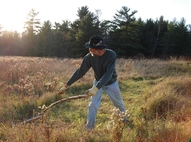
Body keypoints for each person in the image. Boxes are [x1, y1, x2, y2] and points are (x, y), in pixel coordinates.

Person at [58, 35, 126, 129]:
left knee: (118, 104)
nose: (89, 50)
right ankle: (89, 127)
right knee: (93, 105)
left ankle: (124, 120)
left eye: (91, 48)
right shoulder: (89, 57)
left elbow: (108, 74)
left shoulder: (111, 55)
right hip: (97, 82)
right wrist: (67, 84)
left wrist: (96, 88)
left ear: (98, 49)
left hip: (111, 83)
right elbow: (80, 71)